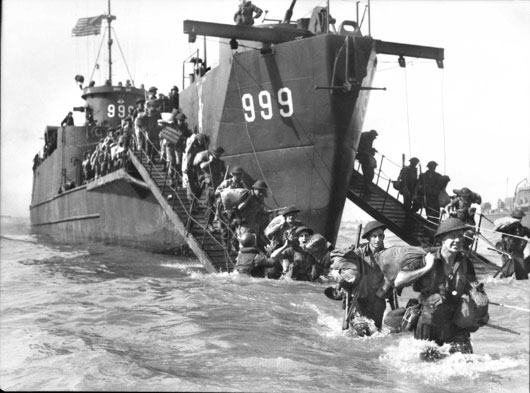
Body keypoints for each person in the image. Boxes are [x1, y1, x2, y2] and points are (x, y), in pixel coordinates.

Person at [394, 218, 489, 355]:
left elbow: (474, 289)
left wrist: (480, 312)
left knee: (465, 363)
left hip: (455, 324)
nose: (457, 240)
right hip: (428, 325)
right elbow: (399, 281)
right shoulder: (426, 258)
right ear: (443, 239)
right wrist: (427, 267)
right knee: (428, 366)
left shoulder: (465, 263)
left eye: (460, 236)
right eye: (452, 236)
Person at [198, 146, 227, 232]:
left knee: (218, 206)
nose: (220, 155)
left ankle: (220, 224)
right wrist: (210, 161)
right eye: (219, 153)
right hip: (210, 187)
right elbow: (202, 167)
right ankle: (208, 224)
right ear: (215, 153)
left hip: (218, 186)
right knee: (210, 206)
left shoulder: (221, 162)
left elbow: (224, 172)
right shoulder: (208, 161)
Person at [496, 209, 530, 279]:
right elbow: (497, 229)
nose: (519, 219)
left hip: (518, 255)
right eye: (517, 218)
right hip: (508, 254)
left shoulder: (523, 229)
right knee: (507, 275)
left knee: (522, 277)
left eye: (520, 218)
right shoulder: (506, 228)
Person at [237, 180, 270, 251]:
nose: (261, 193)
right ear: (254, 189)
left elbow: (261, 210)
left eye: (262, 191)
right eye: (259, 191)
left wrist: (266, 212)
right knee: (243, 244)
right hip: (246, 226)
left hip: (255, 226)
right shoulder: (248, 196)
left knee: (253, 246)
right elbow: (240, 207)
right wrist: (249, 198)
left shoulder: (260, 199)